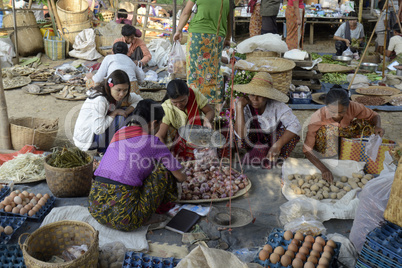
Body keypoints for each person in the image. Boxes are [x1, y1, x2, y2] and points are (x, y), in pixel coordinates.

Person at [88, 99, 187, 231]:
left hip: (96, 209)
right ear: (154, 123)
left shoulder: (120, 132)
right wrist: (183, 167)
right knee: (162, 169)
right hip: (125, 220)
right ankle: (149, 215)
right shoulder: (154, 142)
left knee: (139, 165)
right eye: (159, 125)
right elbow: (181, 177)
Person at [303, 88, 385, 183]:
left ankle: (360, 154)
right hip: (326, 140)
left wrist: (377, 126)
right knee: (327, 130)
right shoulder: (317, 117)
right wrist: (324, 169)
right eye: (333, 112)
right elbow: (307, 150)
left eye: (342, 112)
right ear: (327, 106)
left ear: (348, 105)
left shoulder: (353, 106)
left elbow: (374, 115)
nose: (337, 115)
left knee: (368, 125)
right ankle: (331, 159)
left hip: (344, 131)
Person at [234, 72, 301, 167]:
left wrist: (278, 145)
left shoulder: (277, 106)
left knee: (292, 136)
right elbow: (240, 134)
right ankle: (250, 156)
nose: (255, 99)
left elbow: (296, 125)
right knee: (237, 134)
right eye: (252, 95)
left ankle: (275, 160)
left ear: (267, 96)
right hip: (254, 138)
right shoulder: (243, 105)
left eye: (260, 96)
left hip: (273, 137)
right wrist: (239, 107)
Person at [173, 0, 232, 102]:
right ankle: (213, 104)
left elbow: (186, 12)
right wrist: (227, 38)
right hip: (217, 36)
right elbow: (230, 19)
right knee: (212, 69)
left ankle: (194, 102)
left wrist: (178, 30)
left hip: (197, 35)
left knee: (194, 70)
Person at [73, 70, 142, 152]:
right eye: (118, 90)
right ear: (110, 86)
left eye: (125, 90)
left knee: (127, 113)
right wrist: (114, 113)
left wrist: (127, 111)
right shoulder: (100, 100)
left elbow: (139, 100)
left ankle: (114, 145)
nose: (122, 94)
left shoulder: (118, 95)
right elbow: (98, 129)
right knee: (120, 118)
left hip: (97, 130)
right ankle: (104, 151)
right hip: (87, 139)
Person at [156, 79, 215, 160]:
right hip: (179, 139)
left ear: (188, 94)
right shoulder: (166, 107)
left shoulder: (195, 95)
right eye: (174, 102)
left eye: (183, 100)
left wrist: (207, 120)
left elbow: (210, 111)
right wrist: (166, 157)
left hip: (199, 134)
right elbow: (160, 135)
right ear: (170, 99)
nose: (179, 105)